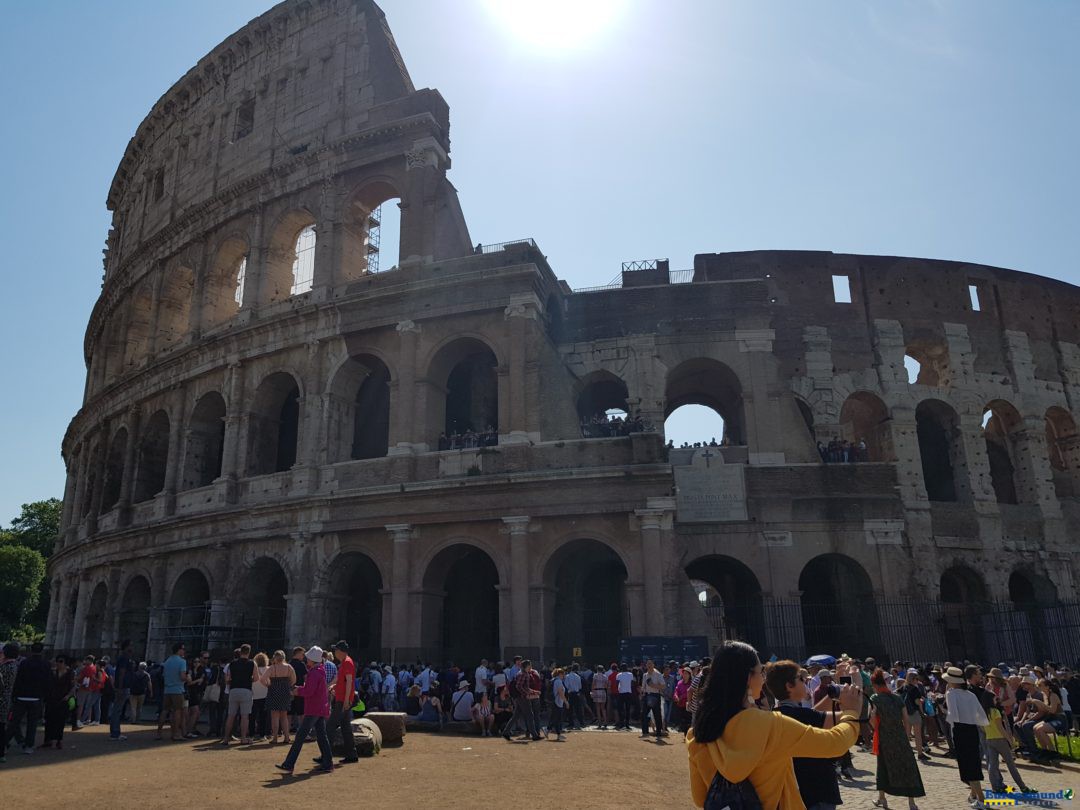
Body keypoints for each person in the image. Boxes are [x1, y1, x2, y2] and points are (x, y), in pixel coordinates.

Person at [686, 641, 862, 810]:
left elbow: (700, 797)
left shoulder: (698, 732)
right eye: (760, 672)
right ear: (748, 678)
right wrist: (851, 713)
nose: (763, 679)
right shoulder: (770, 725)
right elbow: (834, 743)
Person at [765, 660, 845, 810]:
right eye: (801, 679)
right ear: (789, 686)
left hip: (794, 793)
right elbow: (849, 719)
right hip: (817, 791)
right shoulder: (802, 716)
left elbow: (813, 714)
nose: (806, 681)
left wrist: (831, 695)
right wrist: (854, 696)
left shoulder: (776, 715)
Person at [867, 667, 925, 809]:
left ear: (875, 685)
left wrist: (876, 726)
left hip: (884, 737)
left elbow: (871, 720)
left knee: (883, 767)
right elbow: (906, 719)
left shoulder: (875, 698)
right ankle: (911, 802)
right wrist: (905, 735)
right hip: (900, 736)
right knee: (907, 767)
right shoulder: (897, 698)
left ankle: (882, 798)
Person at [276, 646, 333, 774]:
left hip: (313, 708)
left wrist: (297, 691)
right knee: (321, 736)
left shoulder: (314, 672)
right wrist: (300, 688)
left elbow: (309, 691)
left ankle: (289, 763)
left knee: (300, 737)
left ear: (312, 659)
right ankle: (327, 763)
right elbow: (311, 689)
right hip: (319, 708)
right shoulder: (319, 670)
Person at [943, 665, 988, 807]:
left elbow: (953, 715)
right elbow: (980, 714)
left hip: (960, 730)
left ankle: (981, 798)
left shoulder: (951, 694)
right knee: (974, 761)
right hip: (972, 729)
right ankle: (974, 794)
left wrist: (942, 709)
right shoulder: (970, 694)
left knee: (967, 764)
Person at [5, 642, 51, 754]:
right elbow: (48, 682)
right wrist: (45, 696)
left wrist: (15, 695)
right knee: (32, 723)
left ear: (31, 650)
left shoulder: (24, 662)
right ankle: (29, 746)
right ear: (42, 650)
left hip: (21, 696)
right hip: (36, 697)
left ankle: (4, 743)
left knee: (14, 722)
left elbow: (18, 679)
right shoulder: (45, 664)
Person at [984, 692, 1032, 794]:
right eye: (994, 699)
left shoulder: (982, 713)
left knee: (992, 765)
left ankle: (995, 787)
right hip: (1000, 740)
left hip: (989, 739)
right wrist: (1010, 740)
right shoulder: (995, 712)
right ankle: (1022, 787)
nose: (995, 701)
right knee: (1011, 765)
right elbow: (1001, 728)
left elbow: (981, 728)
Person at [326, 641, 357, 765]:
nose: (334, 653)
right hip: (343, 699)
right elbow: (346, 682)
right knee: (345, 728)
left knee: (330, 727)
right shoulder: (345, 662)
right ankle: (351, 754)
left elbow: (349, 682)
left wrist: (346, 700)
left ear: (340, 651)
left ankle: (326, 754)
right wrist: (335, 686)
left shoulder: (347, 662)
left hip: (342, 700)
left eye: (336, 650)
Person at [221, 643, 255, 745]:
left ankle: (226, 738)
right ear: (248, 652)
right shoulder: (252, 663)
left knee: (231, 715)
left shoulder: (232, 664)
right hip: (246, 690)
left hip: (234, 690)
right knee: (245, 716)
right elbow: (256, 678)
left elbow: (227, 679)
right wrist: (249, 679)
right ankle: (243, 738)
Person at [261, 650, 296, 745]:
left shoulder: (272, 668)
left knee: (274, 716)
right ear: (283, 658)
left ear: (275, 658)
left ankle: (275, 738)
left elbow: (262, 679)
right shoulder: (289, 667)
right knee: (284, 716)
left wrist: (268, 685)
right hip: (285, 692)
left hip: (273, 691)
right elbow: (294, 680)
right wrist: (287, 686)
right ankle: (287, 737)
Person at [41, 655, 75, 750]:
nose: (58, 663)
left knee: (60, 721)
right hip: (51, 699)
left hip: (63, 700)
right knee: (49, 719)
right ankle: (48, 740)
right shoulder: (52, 672)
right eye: (57, 661)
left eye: (60, 661)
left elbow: (73, 687)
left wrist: (68, 696)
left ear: (65, 663)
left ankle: (59, 740)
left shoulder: (70, 673)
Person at [158, 642, 189, 741]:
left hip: (167, 689)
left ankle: (159, 732)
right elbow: (182, 676)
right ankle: (176, 734)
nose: (184, 651)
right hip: (177, 689)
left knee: (164, 710)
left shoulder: (167, 661)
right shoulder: (182, 661)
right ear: (179, 650)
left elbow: (163, 675)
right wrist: (188, 678)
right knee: (178, 711)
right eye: (183, 649)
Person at [109, 640, 135, 742]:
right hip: (123, 687)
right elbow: (121, 673)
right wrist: (119, 688)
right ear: (126, 647)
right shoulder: (124, 658)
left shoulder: (124, 657)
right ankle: (115, 733)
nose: (132, 648)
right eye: (131, 646)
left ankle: (115, 732)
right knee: (117, 710)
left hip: (123, 686)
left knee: (117, 710)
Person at [0, 642, 19, 761]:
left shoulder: (4, 667)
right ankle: (2, 751)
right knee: (1, 726)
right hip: (6, 698)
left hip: (1, 697)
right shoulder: (14, 665)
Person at [641, 659, 666, 739]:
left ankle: (658, 733)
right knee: (644, 714)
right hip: (646, 695)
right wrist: (641, 691)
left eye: (650, 664)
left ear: (653, 665)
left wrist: (653, 685)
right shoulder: (645, 675)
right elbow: (643, 687)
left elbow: (663, 686)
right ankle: (645, 733)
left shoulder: (658, 674)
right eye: (647, 664)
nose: (649, 665)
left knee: (657, 715)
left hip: (655, 695)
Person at [250, 652, 270, 741]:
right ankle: (262, 734)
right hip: (264, 694)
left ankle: (251, 734)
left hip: (253, 695)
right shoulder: (268, 669)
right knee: (263, 716)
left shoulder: (253, 669)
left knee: (252, 716)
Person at [591, 661, 609, 729]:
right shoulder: (605, 676)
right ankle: (605, 721)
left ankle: (599, 723)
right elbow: (607, 686)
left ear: (597, 669)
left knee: (598, 708)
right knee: (603, 708)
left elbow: (593, 684)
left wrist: (592, 691)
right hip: (603, 691)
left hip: (597, 691)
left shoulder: (595, 675)